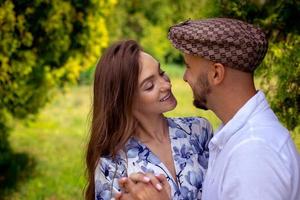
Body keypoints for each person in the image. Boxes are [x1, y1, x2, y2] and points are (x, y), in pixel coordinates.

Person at [118, 18, 300, 200]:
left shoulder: (254, 153)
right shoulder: (234, 138)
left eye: (189, 67)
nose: (184, 77)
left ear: (216, 74)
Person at [85, 40, 213, 200]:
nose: (166, 85)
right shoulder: (112, 164)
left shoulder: (198, 130)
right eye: (149, 86)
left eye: (161, 72)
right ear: (126, 100)